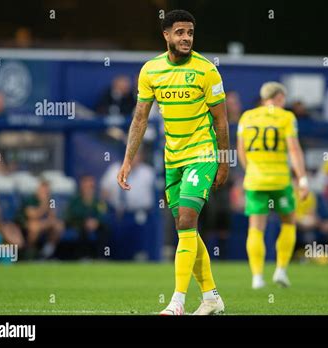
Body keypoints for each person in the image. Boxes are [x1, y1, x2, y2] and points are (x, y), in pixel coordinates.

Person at [116, 10, 229, 315]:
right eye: (179, 32)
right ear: (166, 35)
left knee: (189, 220)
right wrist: (127, 161)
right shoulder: (151, 70)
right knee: (184, 228)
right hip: (173, 158)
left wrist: (223, 161)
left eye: (190, 32)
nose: (186, 38)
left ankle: (177, 301)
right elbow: (140, 117)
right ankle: (211, 297)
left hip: (202, 154)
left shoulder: (207, 70)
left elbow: (221, 119)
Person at [237, 82, 309, 289]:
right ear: (279, 98)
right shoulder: (286, 117)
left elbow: (241, 151)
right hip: (280, 179)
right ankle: (280, 270)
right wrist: (303, 179)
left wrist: (250, 170)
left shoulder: (247, 117)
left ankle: (257, 277)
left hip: (255, 179)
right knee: (288, 222)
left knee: (256, 228)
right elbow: (294, 150)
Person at [15, 181, 64, 259]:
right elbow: (33, 215)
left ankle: (47, 251)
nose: (45, 192)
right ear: (38, 190)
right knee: (35, 227)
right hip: (27, 223)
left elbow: (53, 215)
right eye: (43, 190)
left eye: (47, 190)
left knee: (58, 225)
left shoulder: (52, 200)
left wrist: (48, 220)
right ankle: (28, 252)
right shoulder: (30, 199)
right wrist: (44, 204)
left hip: (44, 223)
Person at [65, 175, 109, 259]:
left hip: (95, 225)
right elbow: (71, 215)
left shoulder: (98, 201)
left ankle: (101, 257)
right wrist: (85, 221)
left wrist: (96, 221)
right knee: (82, 230)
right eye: (86, 186)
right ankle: (82, 256)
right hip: (79, 225)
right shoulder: (75, 200)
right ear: (82, 187)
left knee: (105, 229)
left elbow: (103, 214)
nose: (89, 189)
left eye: (91, 187)